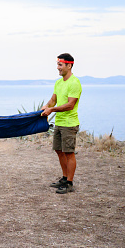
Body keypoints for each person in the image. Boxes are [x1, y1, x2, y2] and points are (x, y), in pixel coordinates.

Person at [41, 53, 82, 194]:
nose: (58, 68)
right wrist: (45, 107)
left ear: (69, 65)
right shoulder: (58, 83)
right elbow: (52, 101)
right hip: (59, 123)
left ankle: (69, 183)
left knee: (69, 153)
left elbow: (70, 105)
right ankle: (64, 178)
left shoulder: (74, 83)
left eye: (60, 65)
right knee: (59, 151)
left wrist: (52, 109)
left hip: (69, 124)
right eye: (57, 65)